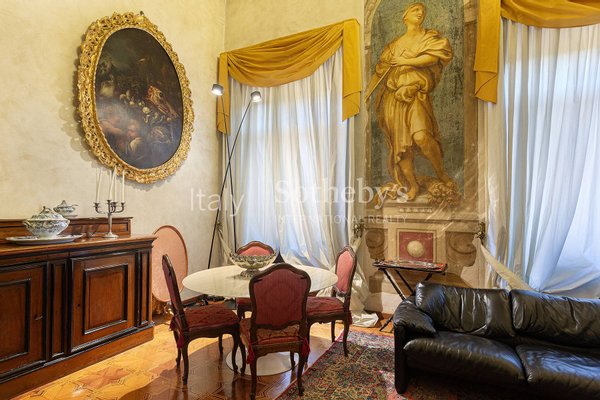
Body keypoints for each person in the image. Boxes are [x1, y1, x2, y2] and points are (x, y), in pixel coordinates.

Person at [366, 2, 454, 201]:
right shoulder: (394, 45)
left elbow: (432, 58)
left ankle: (441, 173)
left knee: (421, 136)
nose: (420, 12)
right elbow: (380, 72)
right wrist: (366, 94)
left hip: (415, 95)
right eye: (415, 9)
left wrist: (405, 61)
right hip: (393, 98)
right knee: (401, 146)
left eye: (422, 10)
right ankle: (412, 184)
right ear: (405, 16)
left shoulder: (429, 37)